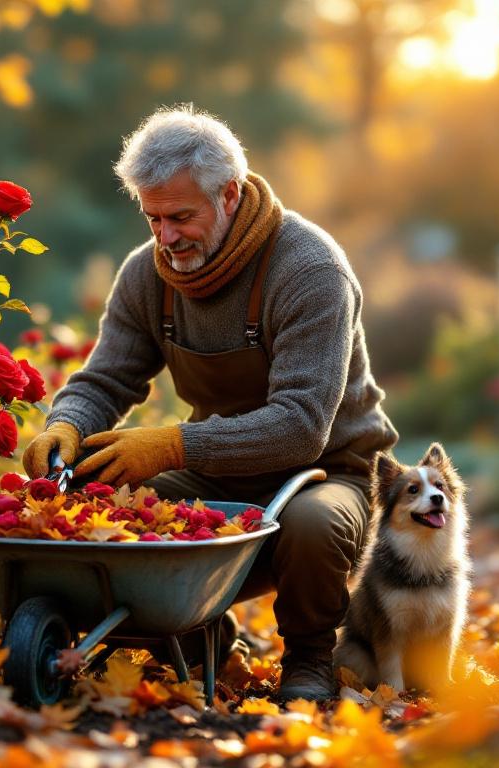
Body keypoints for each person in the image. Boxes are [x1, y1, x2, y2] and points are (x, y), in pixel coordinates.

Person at [21, 105, 398, 701]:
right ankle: (197, 636)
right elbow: (107, 380)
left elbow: (301, 427)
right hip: (219, 466)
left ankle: (309, 660)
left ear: (228, 196)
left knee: (309, 524)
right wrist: (65, 426)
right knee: (102, 504)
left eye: (180, 217)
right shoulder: (146, 275)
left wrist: (172, 444)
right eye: (152, 219)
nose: (165, 237)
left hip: (326, 470)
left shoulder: (310, 269)